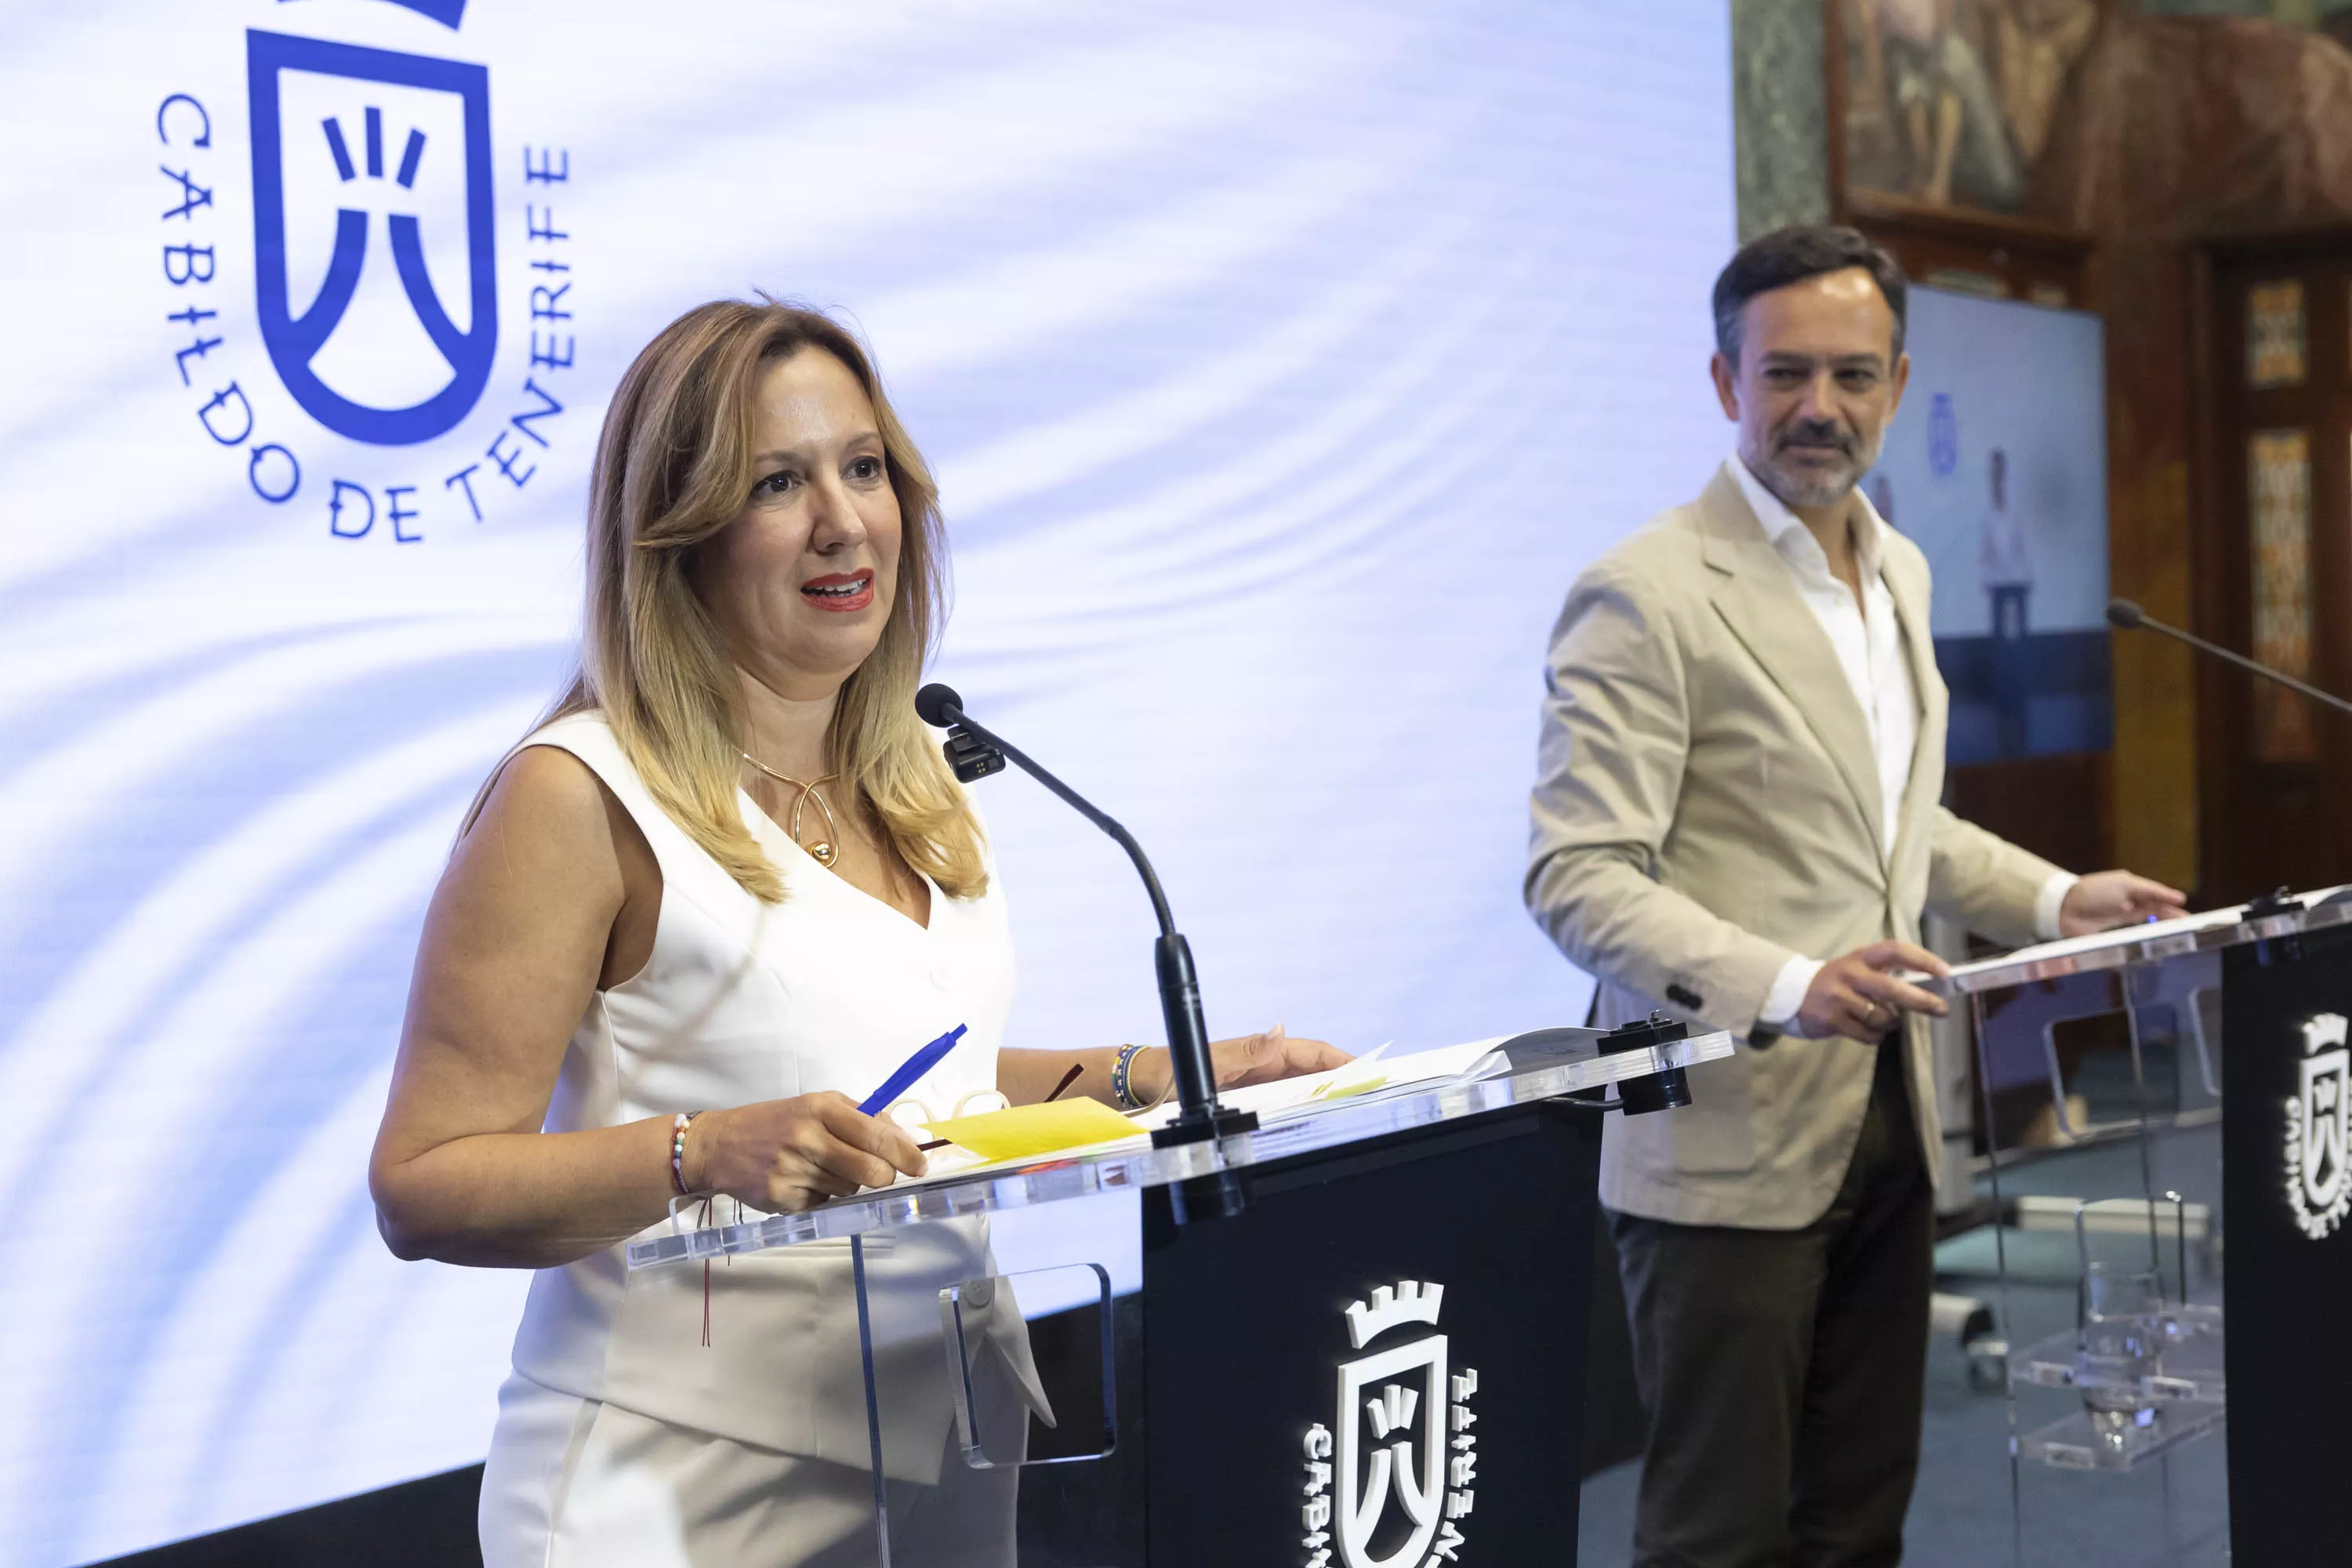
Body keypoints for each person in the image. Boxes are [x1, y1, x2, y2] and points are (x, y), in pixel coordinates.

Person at [368, 299, 1343, 1568]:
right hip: (671, 1496)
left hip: (941, 1452)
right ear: (679, 538)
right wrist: (697, 1152)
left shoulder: (924, 764)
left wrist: (1155, 1079)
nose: (845, 521)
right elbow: (424, 1180)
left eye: (865, 468)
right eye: (779, 482)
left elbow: (920, 1081)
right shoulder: (577, 795)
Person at [1523, 227, 2184, 1567]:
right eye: (1784, 376)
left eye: (1852, 375)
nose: (1818, 408)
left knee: (1858, 1514)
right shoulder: (1648, 593)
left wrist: (2059, 899)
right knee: (1719, 1532)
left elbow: (1897, 828)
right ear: (1725, 382)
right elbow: (1576, 874)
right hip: (1723, 1134)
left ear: (1895, 385)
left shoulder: (1900, 571)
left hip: (1892, 1116)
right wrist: (1788, 984)